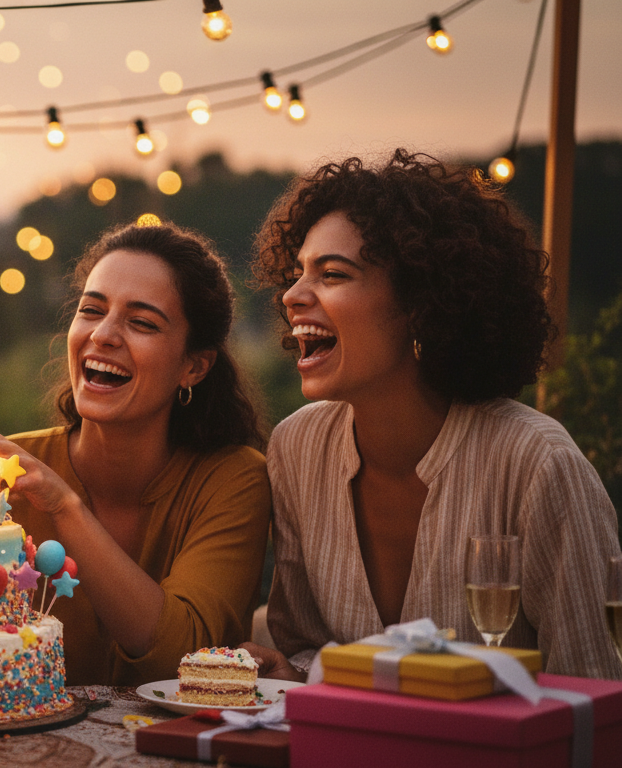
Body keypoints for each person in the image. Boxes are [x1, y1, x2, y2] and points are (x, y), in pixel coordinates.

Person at [245, 149, 622, 681]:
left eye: (332, 274)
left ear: (421, 304)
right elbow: (310, 647)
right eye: (298, 272)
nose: (292, 295)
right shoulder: (297, 448)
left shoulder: (537, 464)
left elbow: (595, 690)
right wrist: (289, 670)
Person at [0, 221, 271, 685]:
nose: (104, 335)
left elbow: (185, 661)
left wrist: (64, 505)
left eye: (141, 323)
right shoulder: (0, 477)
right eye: (92, 311)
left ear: (194, 366)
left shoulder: (234, 480)